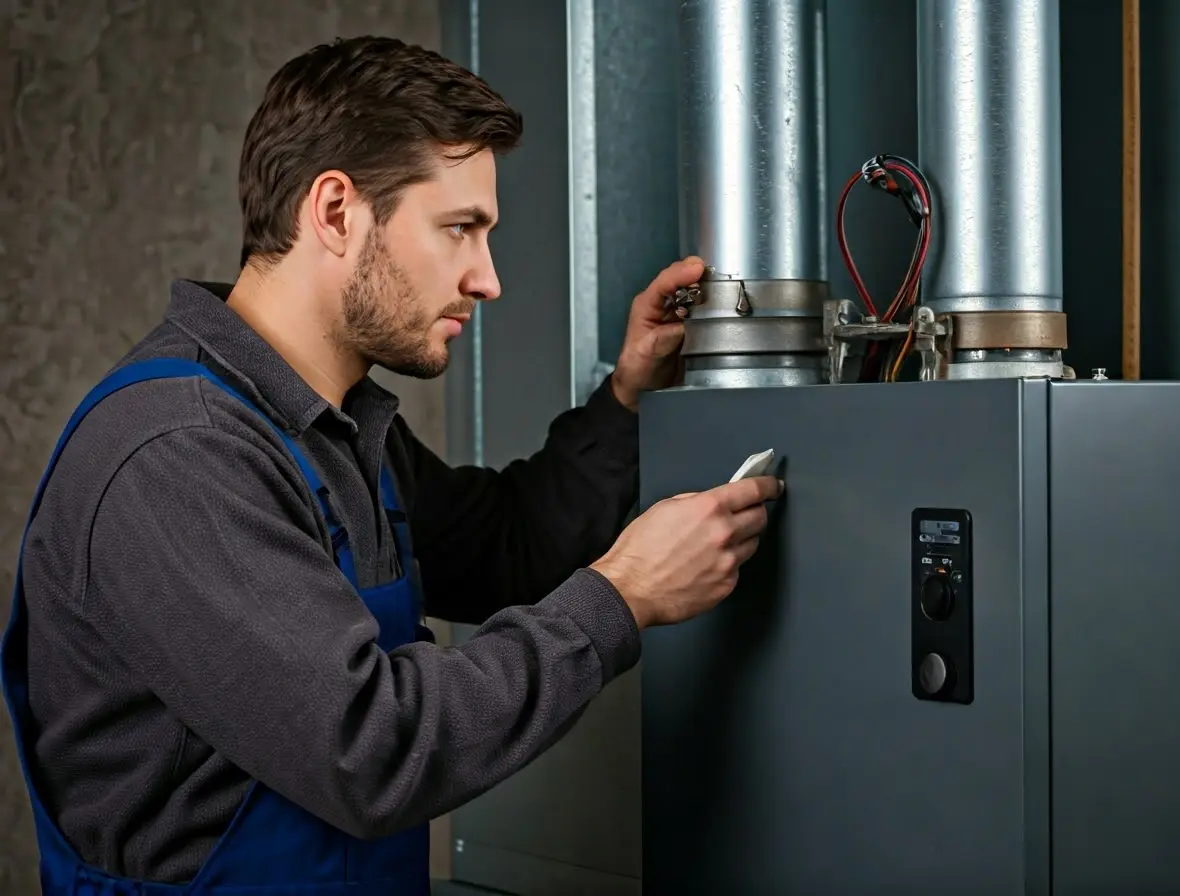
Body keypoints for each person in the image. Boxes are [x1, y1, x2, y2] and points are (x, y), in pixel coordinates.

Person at [0, 35, 781, 896]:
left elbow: (507, 550)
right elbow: (369, 749)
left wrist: (628, 397)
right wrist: (625, 596)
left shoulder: (321, 425)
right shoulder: (181, 455)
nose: (487, 280)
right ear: (335, 212)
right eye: (459, 230)